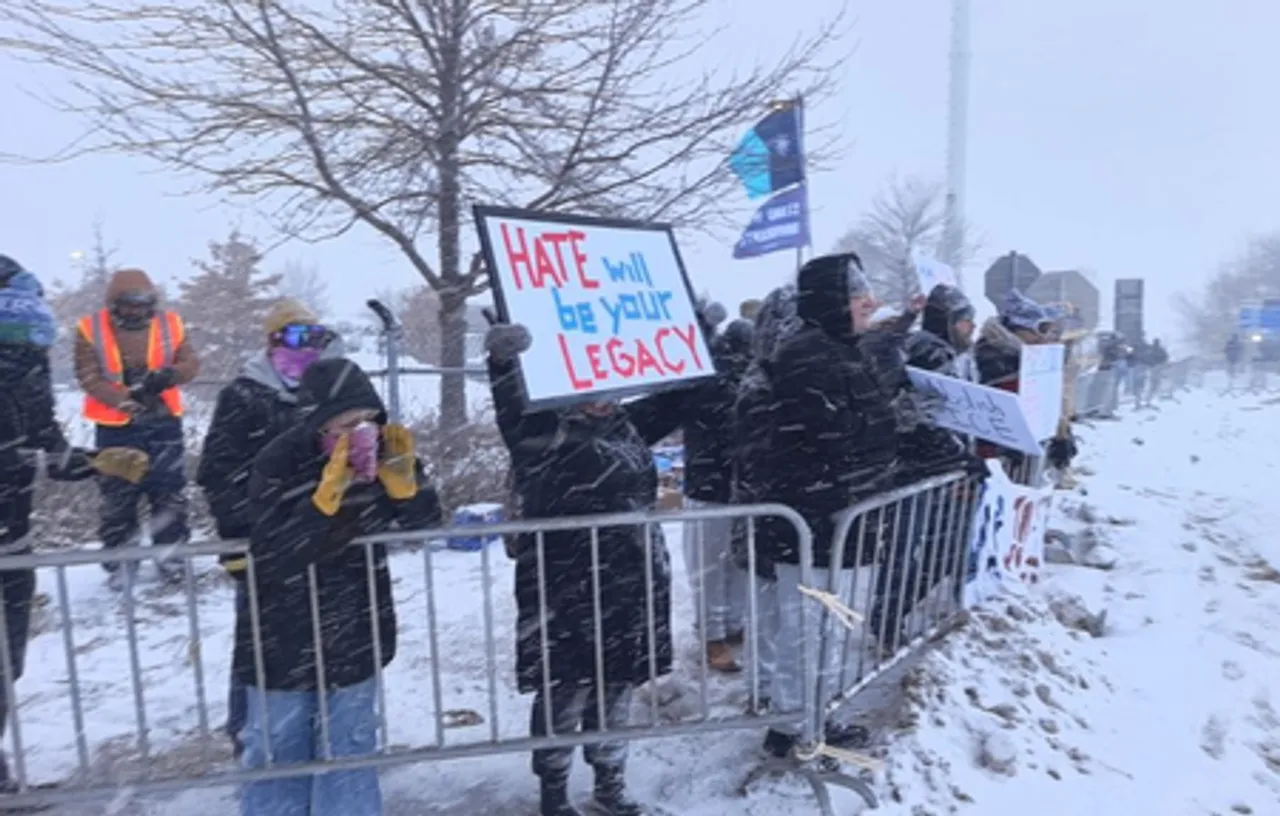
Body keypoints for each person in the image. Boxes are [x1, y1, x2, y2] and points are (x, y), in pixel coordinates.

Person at [484, 304, 720, 816]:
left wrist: (697, 335)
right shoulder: (542, 431)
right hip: (564, 585)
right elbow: (510, 412)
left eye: (610, 387)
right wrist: (503, 365)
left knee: (615, 689)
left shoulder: (628, 424)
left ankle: (610, 784)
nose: (603, 399)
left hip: (628, 583)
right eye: (591, 387)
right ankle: (554, 792)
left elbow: (680, 395)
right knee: (563, 692)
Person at [237, 357, 440, 816]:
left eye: (369, 420)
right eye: (347, 423)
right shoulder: (279, 460)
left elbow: (425, 523)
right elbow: (274, 555)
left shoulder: (388, 453)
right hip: (282, 633)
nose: (361, 432)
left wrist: (409, 487)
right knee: (279, 749)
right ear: (318, 423)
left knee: (351, 746)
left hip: (355, 625)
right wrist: (321, 503)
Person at [0, 256, 149, 802]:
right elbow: (16, 457)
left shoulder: (30, 369)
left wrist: (93, 462)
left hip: (12, 543)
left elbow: (45, 445)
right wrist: (40, 461)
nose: (25, 361)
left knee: (6, 663)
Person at [757, 253, 900, 759]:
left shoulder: (845, 350)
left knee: (830, 631)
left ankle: (812, 718)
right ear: (831, 300)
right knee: (808, 632)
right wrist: (893, 432)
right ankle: (798, 729)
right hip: (815, 523)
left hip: (843, 521)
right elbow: (840, 436)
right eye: (858, 291)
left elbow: (867, 429)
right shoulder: (808, 355)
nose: (871, 301)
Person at [196, 299, 340, 759]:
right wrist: (239, 538)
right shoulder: (243, 395)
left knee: (323, 636)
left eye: (317, 338)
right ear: (273, 340)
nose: (309, 349)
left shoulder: (325, 393)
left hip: (320, 538)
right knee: (260, 640)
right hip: (267, 541)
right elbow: (218, 471)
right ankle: (246, 729)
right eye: (299, 338)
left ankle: (315, 729)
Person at [74, 268, 199, 588]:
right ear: (115, 304)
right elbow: (88, 376)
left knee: (168, 490)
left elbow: (191, 363)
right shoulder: (91, 329)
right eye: (129, 304)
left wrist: (167, 376)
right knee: (118, 495)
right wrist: (122, 398)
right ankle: (121, 562)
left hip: (163, 419)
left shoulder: (172, 324)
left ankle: (171, 557)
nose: (136, 310)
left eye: (142, 304)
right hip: (116, 424)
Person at [730, 283, 801, 714]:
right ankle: (763, 690)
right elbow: (759, 453)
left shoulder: (782, 376)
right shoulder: (761, 382)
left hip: (782, 515)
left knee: (785, 612)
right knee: (768, 613)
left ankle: (779, 690)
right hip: (765, 515)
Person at [681, 313, 750, 674]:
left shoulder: (749, 378)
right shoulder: (708, 380)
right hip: (709, 486)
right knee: (709, 567)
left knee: (736, 562)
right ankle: (712, 635)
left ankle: (731, 624)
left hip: (737, 486)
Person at [973, 290, 1076, 475]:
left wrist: (1062, 434)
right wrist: (1006, 443)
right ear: (1018, 329)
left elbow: (1046, 402)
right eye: (1039, 330)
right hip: (994, 456)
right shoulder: (992, 356)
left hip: (1020, 455)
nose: (1042, 337)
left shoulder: (1033, 359)